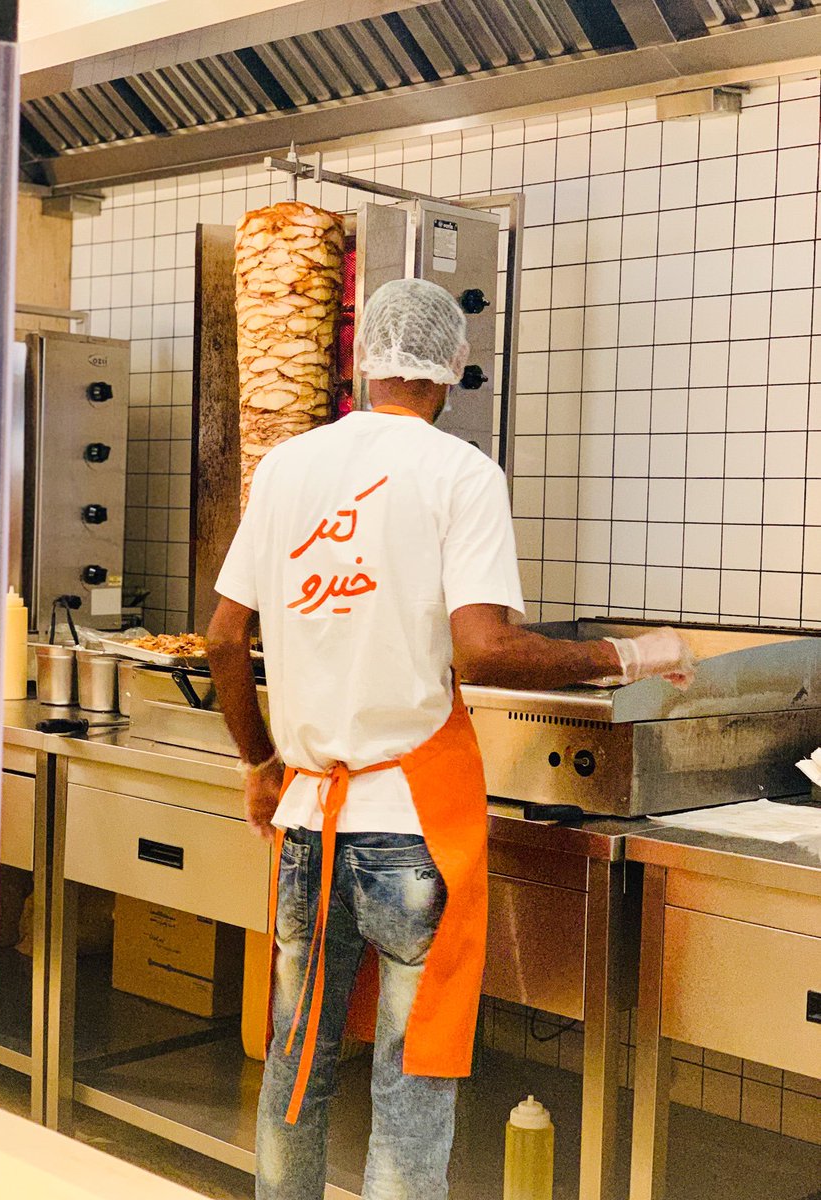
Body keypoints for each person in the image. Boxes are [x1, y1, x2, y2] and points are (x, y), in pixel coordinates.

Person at [206, 277, 695, 1200]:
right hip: (410, 827)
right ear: (454, 370)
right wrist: (634, 652)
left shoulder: (286, 468)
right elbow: (486, 652)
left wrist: (262, 764)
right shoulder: (461, 474)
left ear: (362, 359)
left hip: (309, 819)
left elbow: (225, 639)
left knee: (296, 1058)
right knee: (412, 1073)